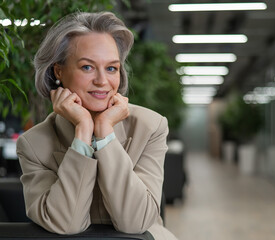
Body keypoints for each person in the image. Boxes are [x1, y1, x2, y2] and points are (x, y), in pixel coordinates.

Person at [16, 11, 177, 240]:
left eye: (111, 68)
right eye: (87, 67)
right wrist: (83, 132)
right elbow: (66, 223)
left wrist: (104, 133)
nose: (102, 81)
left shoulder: (150, 127)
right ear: (58, 71)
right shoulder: (33, 144)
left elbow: (136, 222)